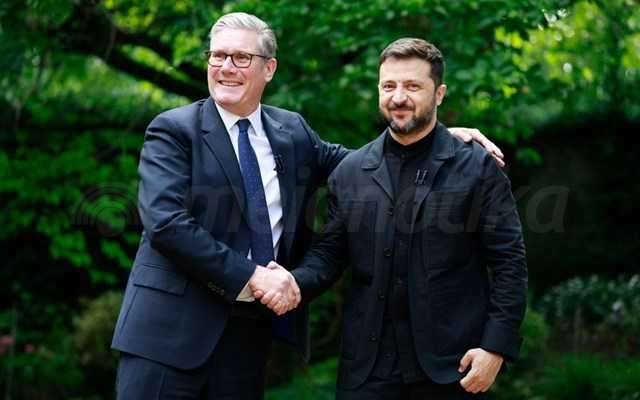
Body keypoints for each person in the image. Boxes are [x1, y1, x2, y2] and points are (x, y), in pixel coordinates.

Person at [111, 12, 504, 399]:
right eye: (218, 56)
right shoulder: (173, 129)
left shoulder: (292, 132)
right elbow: (166, 224)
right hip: (166, 336)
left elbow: (368, 167)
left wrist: (433, 136)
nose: (226, 67)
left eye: (241, 57)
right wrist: (252, 276)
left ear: (269, 68)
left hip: (247, 338)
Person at [282, 38, 527, 399]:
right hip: (366, 374)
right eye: (388, 86)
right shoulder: (350, 172)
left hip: (453, 369)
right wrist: (290, 282)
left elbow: (509, 262)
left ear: (439, 94)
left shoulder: (477, 167)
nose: (398, 97)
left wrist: (496, 347)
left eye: (412, 86)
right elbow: (329, 256)